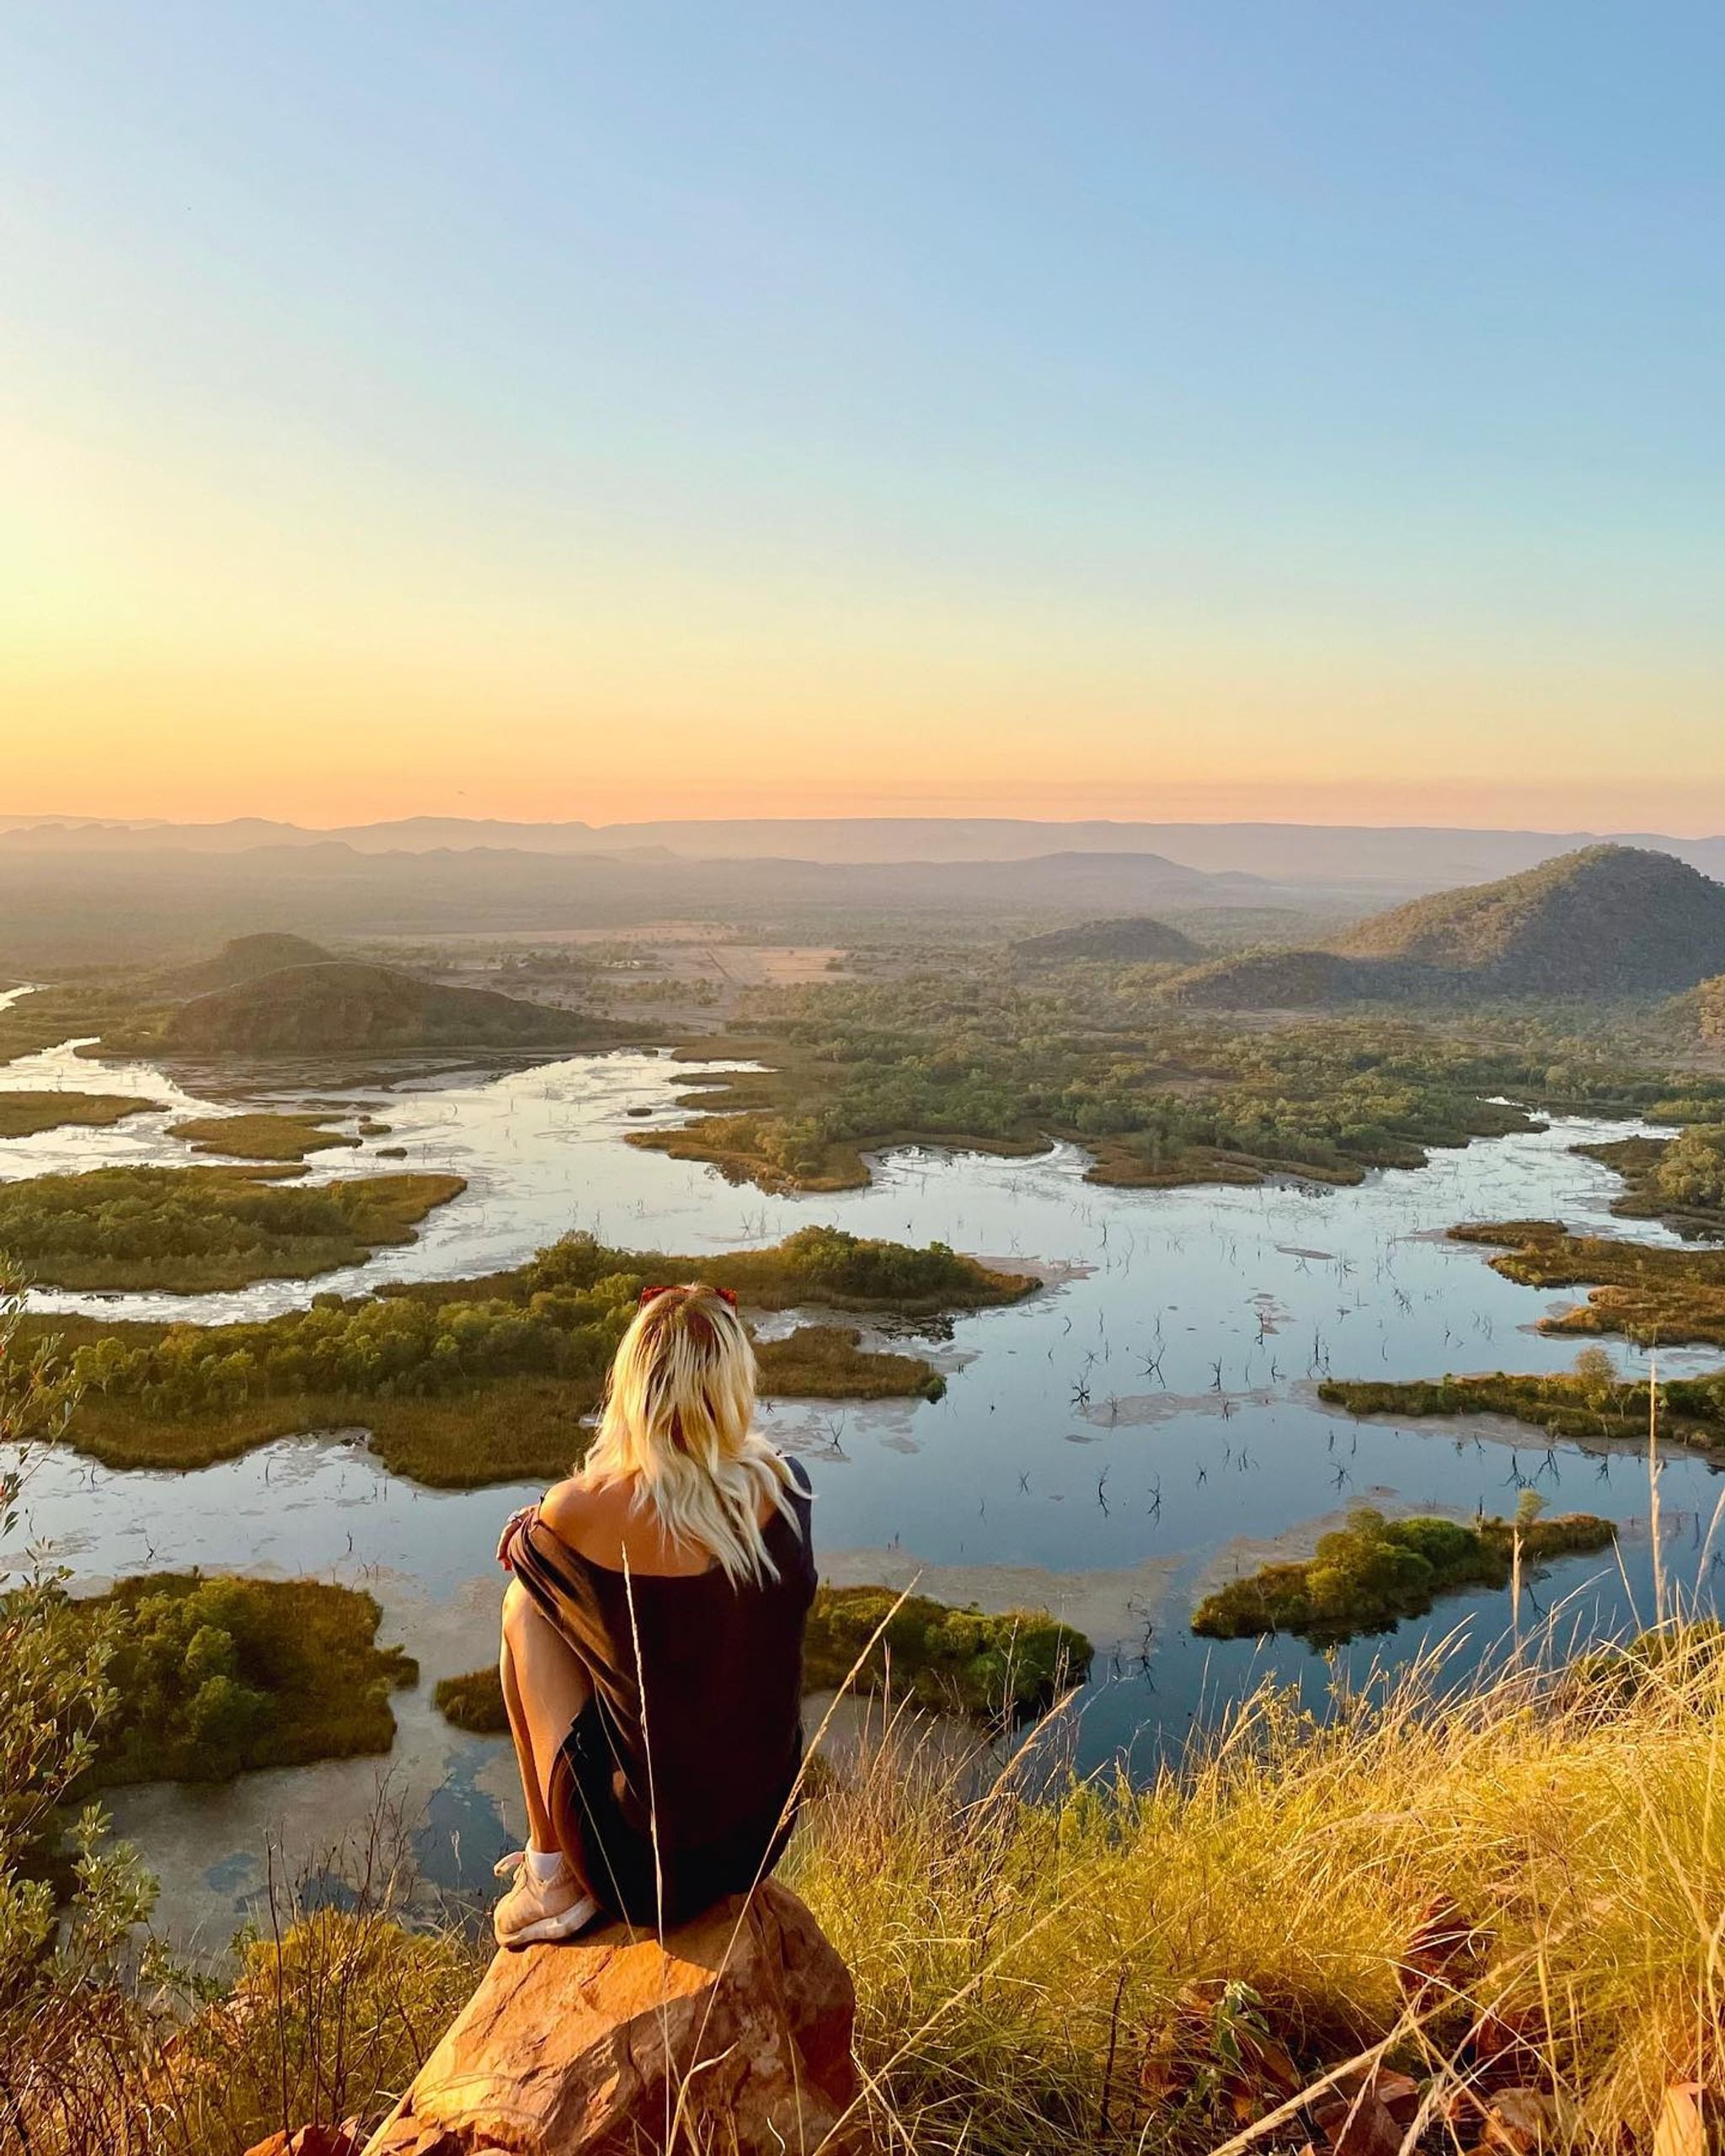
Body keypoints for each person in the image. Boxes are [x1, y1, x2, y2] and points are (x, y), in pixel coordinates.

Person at [490, 1280, 816, 1946]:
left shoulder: (580, 1510)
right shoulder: (787, 1486)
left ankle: (548, 1874)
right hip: (759, 1840)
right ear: (731, 1384)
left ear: (634, 1384)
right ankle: (559, 1868)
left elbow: (529, 1561)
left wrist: (537, 1526)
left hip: (641, 1876)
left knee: (525, 1608)